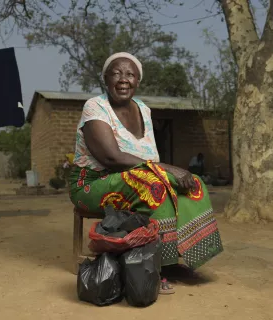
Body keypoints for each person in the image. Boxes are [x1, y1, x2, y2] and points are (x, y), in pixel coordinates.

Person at [69, 52, 223, 295]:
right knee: (153, 185)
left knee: (192, 182)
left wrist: (168, 172)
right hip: (92, 185)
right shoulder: (95, 107)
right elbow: (111, 157)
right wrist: (166, 170)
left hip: (133, 178)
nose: (123, 79)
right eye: (116, 73)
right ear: (106, 79)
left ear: (138, 81)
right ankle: (155, 266)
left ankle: (182, 256)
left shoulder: (143, 109)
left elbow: (150, 158)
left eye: (130, 74)